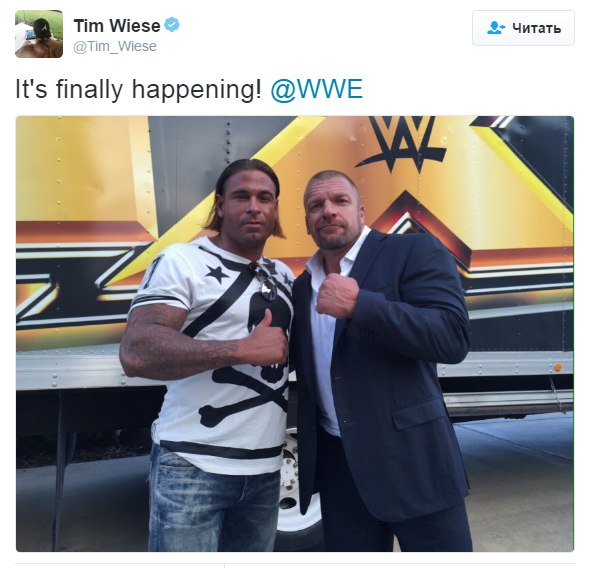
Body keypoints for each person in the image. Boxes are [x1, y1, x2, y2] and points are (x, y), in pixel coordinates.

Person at [291, 170, 473, 552]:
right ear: (306, 221)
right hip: (340, 473)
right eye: (315, 205)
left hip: (415, 464)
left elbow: (452, 337)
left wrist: (361, 305)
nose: (328, 211)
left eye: (340, 201)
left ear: (361, 211)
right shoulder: (302, 286)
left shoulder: (412, 251)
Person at [119, 159, 294, 552]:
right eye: (241, 196)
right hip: (192, 468)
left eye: (265, 198)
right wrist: (240, 349)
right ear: (220, 204)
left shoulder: (282, 275)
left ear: (275, 208)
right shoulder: (183, 261)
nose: (254, 207)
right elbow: (135, 351)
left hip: (267, 471)